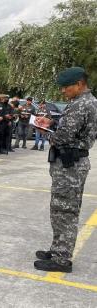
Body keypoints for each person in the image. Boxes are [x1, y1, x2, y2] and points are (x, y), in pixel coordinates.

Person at [33, 67, 97, 273]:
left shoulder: (80, 105)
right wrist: (52, 122)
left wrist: (46, 131)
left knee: (64, 211)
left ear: (79, 84)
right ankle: (58, 248)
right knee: (62, 209)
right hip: (73, 164)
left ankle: (61, 258)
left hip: (70, 166)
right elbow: (73, 129)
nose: (63, 91)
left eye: (65, 87)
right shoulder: (88, 102)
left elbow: (64, 137)